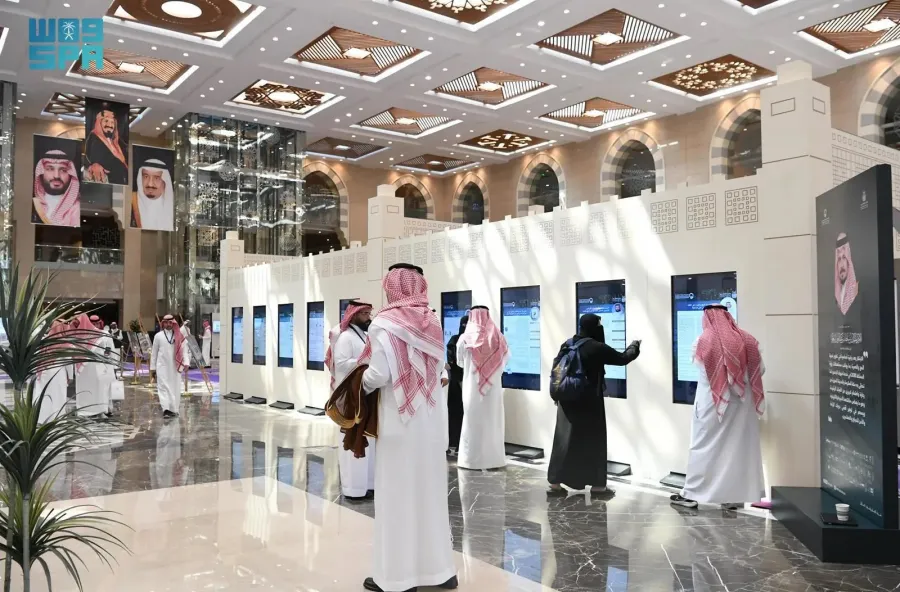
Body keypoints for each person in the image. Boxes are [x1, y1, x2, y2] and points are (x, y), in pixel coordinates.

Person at [359, 263, 457, 592]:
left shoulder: (383, 323)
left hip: (399, 421)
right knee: (430, 494)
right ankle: (440, 572)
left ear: (392, 288)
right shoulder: (433, 321)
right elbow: (440, 371)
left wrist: (358, 383)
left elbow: (379, 375)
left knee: (397, 496)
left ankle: (398, 578)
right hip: (430, 420)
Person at [670, 305, 765, 510]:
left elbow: (702, 370)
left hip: (713, 404)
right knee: (735, 451)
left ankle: (691, 495)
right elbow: (761, 370)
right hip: (742, 407)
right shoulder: (748, 341)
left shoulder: (702, 341)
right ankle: (731, 498)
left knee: (702, 449)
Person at [547, 313, 641, 495]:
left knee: (563, 441)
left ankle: (555, 484)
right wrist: (635, 345)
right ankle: (598, 486)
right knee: (594, 442)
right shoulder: (596, 347)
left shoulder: (567, 344)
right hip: (589, 402)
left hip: (566, 399)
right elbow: (622, 358)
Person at [325, 299, 376, 500]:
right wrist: (366, 361)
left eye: (369, 314)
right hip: (350, 397)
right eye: (364, 314)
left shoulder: (364, 335)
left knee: (367, 440)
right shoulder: (346, 337)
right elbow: (341, 364)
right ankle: (352, 488)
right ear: (354, 315)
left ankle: (367, 484)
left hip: (365, 394)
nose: (368, 318)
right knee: (351, 440)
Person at [456, 306, 509, 471]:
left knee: (472, 423)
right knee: (492, 422)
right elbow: (505, 360)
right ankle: (494, 460)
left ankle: (471, 461)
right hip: (493, 389)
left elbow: (459, 362)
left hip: (472, 388)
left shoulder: (465, 339)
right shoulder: (498, 338)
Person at [74, 314, 116, 419]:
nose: (95, 325)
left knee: (101, 390)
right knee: (86, 390)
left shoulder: (105, 334)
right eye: (93, 323)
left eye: (97, 323)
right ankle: (85, 410)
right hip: (85, 369)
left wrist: (111, 365)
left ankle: (101, 410)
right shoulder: (82, 335)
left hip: (100, 367)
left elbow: (109, 351)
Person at [33, 148, 80, 226]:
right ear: (41, 172)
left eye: (63, 170)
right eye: (50, 169)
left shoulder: (76, 209)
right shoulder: (33, 205)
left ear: (70, 175)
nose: (56, 176)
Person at [151, 314, 187, 418]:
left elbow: (184, 350)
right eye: (166, 322)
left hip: (175, 367)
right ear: (163, 323)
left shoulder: (179, 336)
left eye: (170, 322)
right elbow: (154, 353)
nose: (168, 324)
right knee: (163, 387)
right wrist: (153, 368)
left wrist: (186, 362)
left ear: (173, 323)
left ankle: (174, 409)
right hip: (162, 366)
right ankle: (166, 409)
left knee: (174, 387)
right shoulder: (158, 336)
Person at [34, 319, 70, 423]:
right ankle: (57, 418)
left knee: (43, 394)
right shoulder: (65, 343)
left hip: (44, 371)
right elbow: (68, 360)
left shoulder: (44, 340)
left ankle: (41, 418)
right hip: (58, 372)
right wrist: (70, 376)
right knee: (58, 395)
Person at [84, 108, 128, 184]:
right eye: (106, 121)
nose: (109, 125)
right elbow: (87, 156)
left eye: (112, 122)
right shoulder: (93, 137)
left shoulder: (117, 141)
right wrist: (94, 164)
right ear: (99, 123)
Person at [445, 314, 467, 455]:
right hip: (458, 383)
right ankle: (455, 444)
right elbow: (453, 363)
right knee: (457, 414)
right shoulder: (455, 340)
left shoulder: (457, 340)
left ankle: (459, 445)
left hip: (463, 382)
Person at [131, 158, 174, 230]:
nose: (150, 184)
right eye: (146, 176)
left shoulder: (176, 207)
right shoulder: (131, 201)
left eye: (156, 178)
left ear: (165, 181)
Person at [835, 232, 859, 316]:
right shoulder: (837, 295)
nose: (841, 265)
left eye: (844, 257)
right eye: (839, 259)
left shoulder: (855, 289)